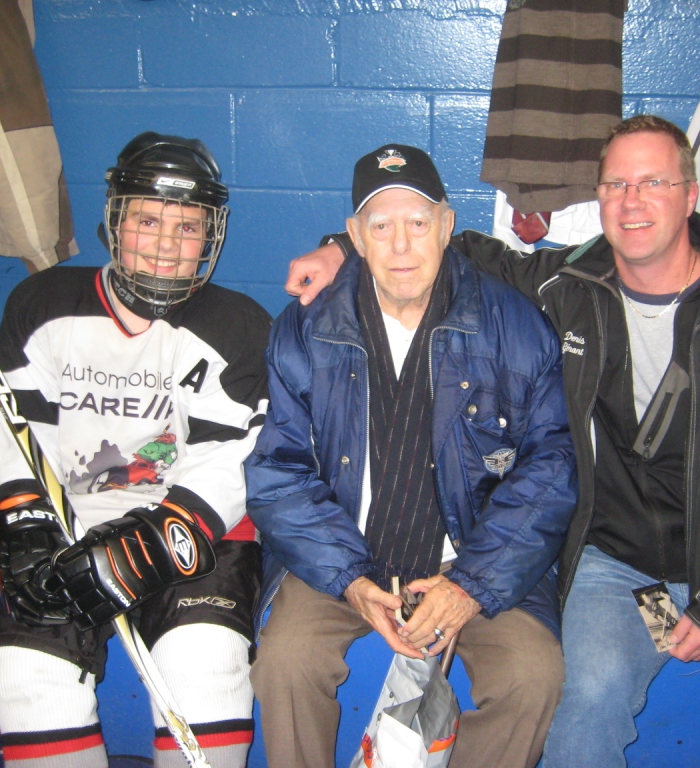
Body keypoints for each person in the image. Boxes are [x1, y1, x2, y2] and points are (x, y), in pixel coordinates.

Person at [286, 117, 700, 766]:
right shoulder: (568, 287)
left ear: (690, 193)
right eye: (616, 183)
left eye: (653, 181)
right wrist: (339, 249)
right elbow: (440, 248)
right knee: (582, 701)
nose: (632, 200)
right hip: (619, 565)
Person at [244, 144, 577, 768]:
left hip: (472, 557)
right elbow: (276, 472)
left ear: (447, 226)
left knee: (533, 676)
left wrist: (470, 585)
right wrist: (349, 581)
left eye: (418, 223)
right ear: (355, 237)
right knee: (285, 662)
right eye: (381, 226)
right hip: (344, 555)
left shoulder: (515, 324)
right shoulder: (306, 327)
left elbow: (549, 471)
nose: (401, 246)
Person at [0, 132, 270, 768]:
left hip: (198, 530)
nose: (166, 246)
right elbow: (18, 433)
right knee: (24, 673)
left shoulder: (241, 326)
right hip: (70, 519)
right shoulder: (41, 305)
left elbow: (229, 466)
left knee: (206, 667)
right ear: (115, 220)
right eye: (147, 219)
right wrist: (26, 527)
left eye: (187, 227)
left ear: (210, 236)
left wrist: (147, 544)